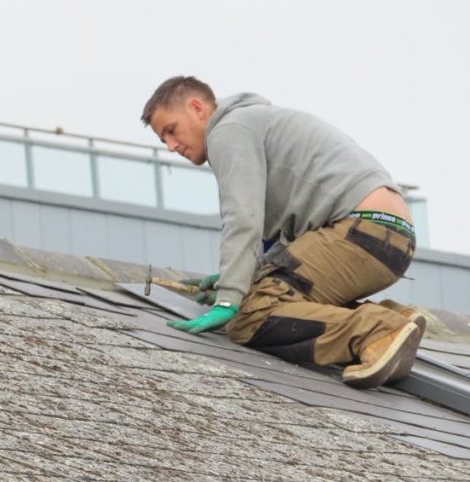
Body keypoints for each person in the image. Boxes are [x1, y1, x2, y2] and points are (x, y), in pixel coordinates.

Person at [141, 76, 424, 389]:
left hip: (361, 231)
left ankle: (377, 330)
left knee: (251, 316)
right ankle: (396, 320)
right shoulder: (256, 124)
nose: (170, 146)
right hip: (391, 237)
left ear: (197, 108)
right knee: (274, 293)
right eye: (162, 139)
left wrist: (229, 299)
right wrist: (240, 278)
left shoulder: (228, 130)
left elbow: (242, 217)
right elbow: (277, 243)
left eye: (171, 130)